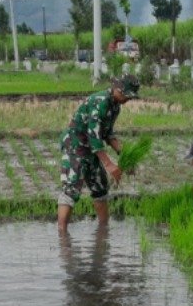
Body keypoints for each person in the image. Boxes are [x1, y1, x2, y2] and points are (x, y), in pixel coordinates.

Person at [56, 74, 141, 233]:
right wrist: (109, 164)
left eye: (129, 97)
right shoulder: (100, 102)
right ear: (116, 88)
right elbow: (94, 136)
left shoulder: (115, 106)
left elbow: (108, 134)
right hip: (76, 145)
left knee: (100, 187)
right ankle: (62, 235)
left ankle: (103, 230)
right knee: (72, 187)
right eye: (125, 95)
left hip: (91, 147)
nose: (127, 99)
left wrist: (124, 155)